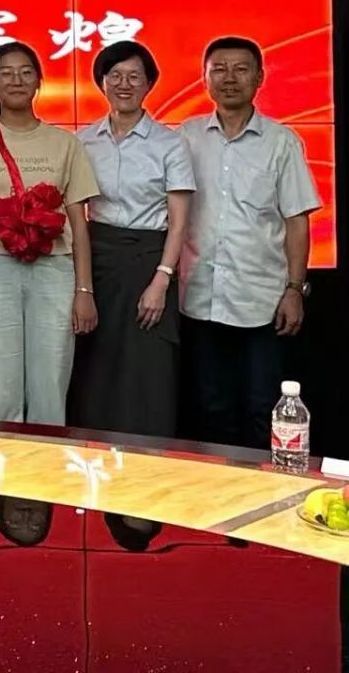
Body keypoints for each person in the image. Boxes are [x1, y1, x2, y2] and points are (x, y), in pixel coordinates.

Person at [0, 41, 98, 425]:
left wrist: (84, 291)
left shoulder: (65, 143)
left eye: (26, 72)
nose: (16, 80)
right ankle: (3, 460)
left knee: (51, 383)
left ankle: (44, 461)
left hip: (54, 270)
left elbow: (79, 222)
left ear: (38, 82)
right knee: (0, 387)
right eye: (6, 73)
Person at [180, 36, 320, 450]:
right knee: (210, 409)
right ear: (204, 78)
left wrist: (294, 289)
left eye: (241, 69)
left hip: (262, 302)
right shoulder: (185, 137)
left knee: (264, 409)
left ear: (260, 77)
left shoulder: (281, 141)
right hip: (200, 299)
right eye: (219, 69)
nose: (230, 78)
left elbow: (296, 221)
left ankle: (265, 486)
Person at [71, 41, 195, 439]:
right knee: (96, 367)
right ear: (102, 83)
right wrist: (83, 286)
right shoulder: (83, 141)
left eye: (134, 77)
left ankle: (149, 459)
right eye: (115, 76)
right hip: (99, 262)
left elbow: (179, 222)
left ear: (149, 84)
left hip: (150, 263)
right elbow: (76, 213)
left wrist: (162, 279)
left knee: (148, 371)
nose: (124, 84)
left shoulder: (169, 143)